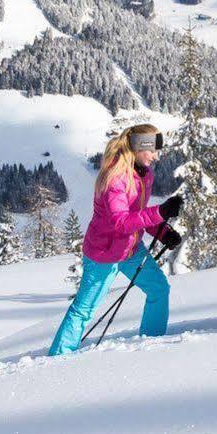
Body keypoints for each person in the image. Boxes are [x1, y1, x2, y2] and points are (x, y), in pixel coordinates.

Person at [47, 124, 184, 355]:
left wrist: (161, 231)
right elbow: (120, 222)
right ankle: (57, 357)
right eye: (153, 150)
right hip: (104, 253)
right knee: (84, 310)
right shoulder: (115, 179)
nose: (156, 156)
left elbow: (136, 213)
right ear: (140, 147)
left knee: (159, 289)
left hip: (131, 250)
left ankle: (152, 344)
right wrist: (160, 212)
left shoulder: (144, 175)